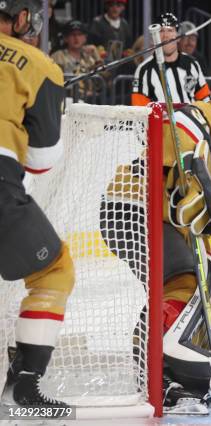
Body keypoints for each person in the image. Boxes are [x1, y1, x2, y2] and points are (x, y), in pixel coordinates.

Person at [102, 84, 211, 413]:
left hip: (168, 220)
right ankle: (157, 367)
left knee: (192, 287)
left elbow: (209, 211)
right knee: (184, 284)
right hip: (131, 205)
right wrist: (188, 164)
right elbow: (182, 121)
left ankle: (159, 361)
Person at [0, 0, 74, 407]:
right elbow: (43, 162)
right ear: (21, 16)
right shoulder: (38, 63)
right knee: (54, 271)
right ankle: (23, 388)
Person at [132, 13, 211, 106]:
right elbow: (139, 111)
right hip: (162, 120)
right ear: (154, 37)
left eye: (170, 30)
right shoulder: (144, 70)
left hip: (191, 118)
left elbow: (206, 100)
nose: (166, 35)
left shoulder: (192, 64)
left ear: (178, 37)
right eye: (161, 31)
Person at [51, 20, 104, 99]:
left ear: (85, 38)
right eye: (73, 35)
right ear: (65, 38)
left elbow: (102, 80)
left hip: (91, 98)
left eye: (79, 34)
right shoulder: (58, 56)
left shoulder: (89, 57)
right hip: (67, 98)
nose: (76, 38)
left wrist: (96, 55)